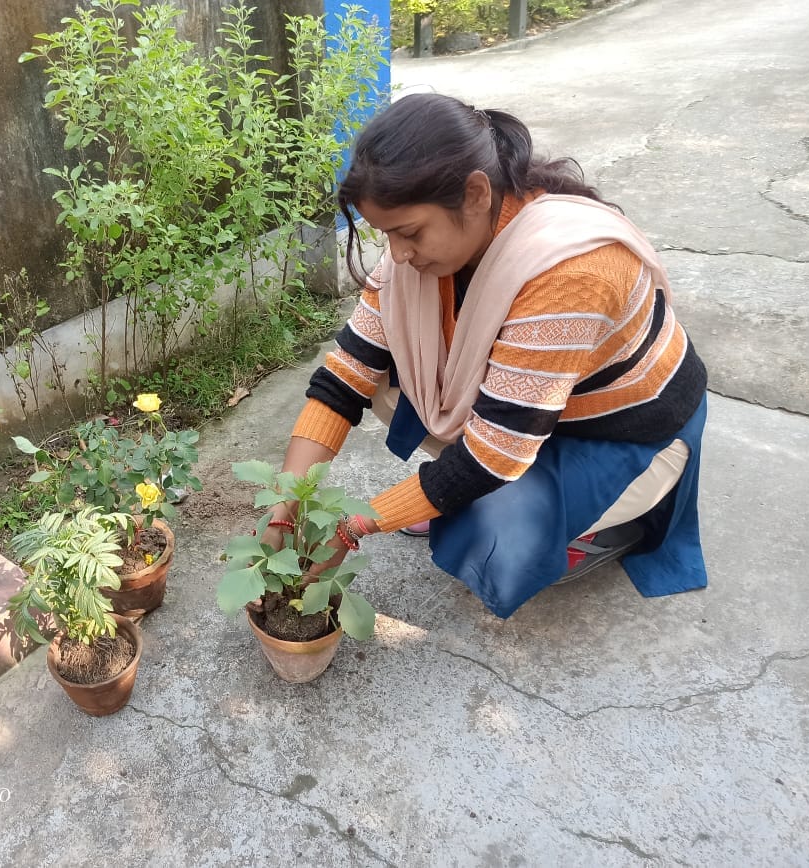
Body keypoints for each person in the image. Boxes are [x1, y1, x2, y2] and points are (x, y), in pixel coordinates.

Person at [265, 93, 709, 619]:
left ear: (475, 194)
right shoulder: (430, 251)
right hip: (538, 414)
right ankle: (458, 495)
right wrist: (285, 503)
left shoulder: (571, 277)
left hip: (626, 434)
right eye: (386, 234)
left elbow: (492, 457)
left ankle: (605, 524)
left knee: (493, 527)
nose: (398, 254)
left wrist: (355, 526)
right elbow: (343, 378)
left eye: (409, 232)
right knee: (391, 385)